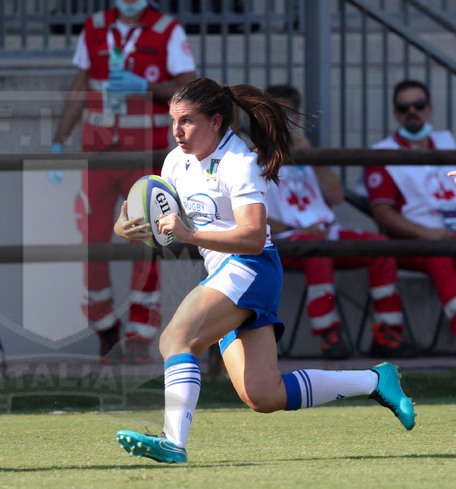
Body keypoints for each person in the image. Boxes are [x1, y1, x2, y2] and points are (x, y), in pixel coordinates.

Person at [112, 77, 416, 464]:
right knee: (263, 395)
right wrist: (129, 226)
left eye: (186, 120)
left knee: (175, 340)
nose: (177, 131)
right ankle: (375, 380)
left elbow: (254, 237)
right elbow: (153, 219)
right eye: (174, 120)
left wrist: (189, 234)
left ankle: (173, 442)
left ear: (216, 122)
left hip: (250, 268)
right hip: (231, 272)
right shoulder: (176, 160)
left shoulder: (239, 162)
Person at [49, 0, 197, 364]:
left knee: (145, 242)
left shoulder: (167, 30)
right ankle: (104, 327)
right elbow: (80, 87)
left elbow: (189, 92)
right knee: (91, 242)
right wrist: (59, 140)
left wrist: (144, 85)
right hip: (96, 155)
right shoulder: (94, 26)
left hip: (143, 156)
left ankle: (139, 335)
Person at [263, 85, 405, 359]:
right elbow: (256, 218)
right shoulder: (253, 158)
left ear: (299, 118)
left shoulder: (307, 152)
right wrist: (298, 230)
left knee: (381, 247)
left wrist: (312, 157)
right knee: (317, 248)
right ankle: (330, 333)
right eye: (275, 112)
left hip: (327, 234)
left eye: (289, 113)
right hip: (285, 241)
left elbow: (336, 196)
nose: (283, 119)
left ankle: (388, 331)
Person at [364, 79, 456, 341]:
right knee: (438, 255)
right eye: (404, 108)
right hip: (413, 242)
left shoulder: (447, 142)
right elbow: (383, 214)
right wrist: (429, 234)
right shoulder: (383, 153)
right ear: (396, 114)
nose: (412, 112)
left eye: (418, 105)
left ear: (430, 109)